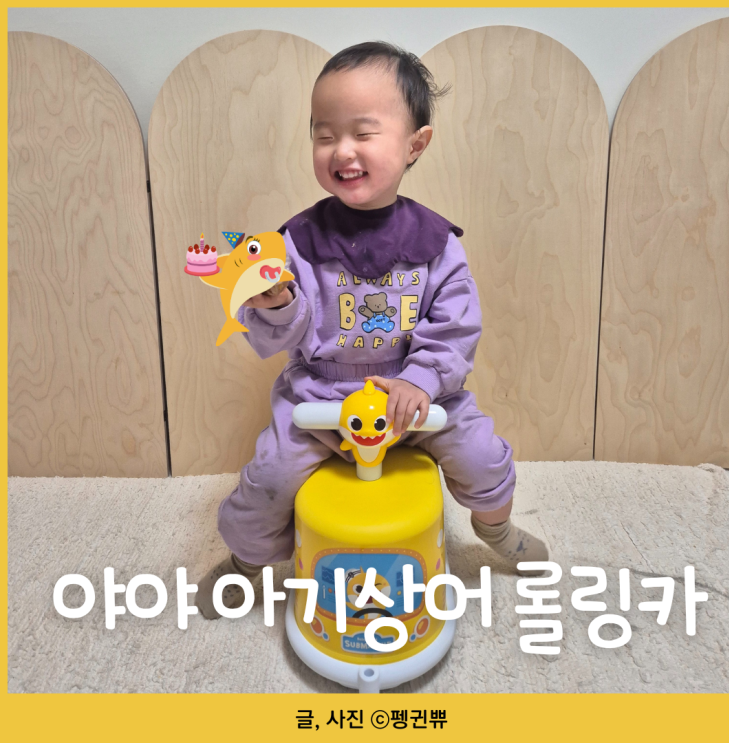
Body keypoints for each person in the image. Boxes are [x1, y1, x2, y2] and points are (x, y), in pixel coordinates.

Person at [196, 41, 548, 619]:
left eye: (363, 132)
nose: (342, 150)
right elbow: (275, 339)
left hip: (417, 400)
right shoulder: (294, 243)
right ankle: (247, 562)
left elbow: (456, 327)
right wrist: (278, 301)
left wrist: (421, 381)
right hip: (320, 397)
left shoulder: (437, 243)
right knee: (269, 476)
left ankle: (496, 528)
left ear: (415, 144)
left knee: (481, 453)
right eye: (324, 135)